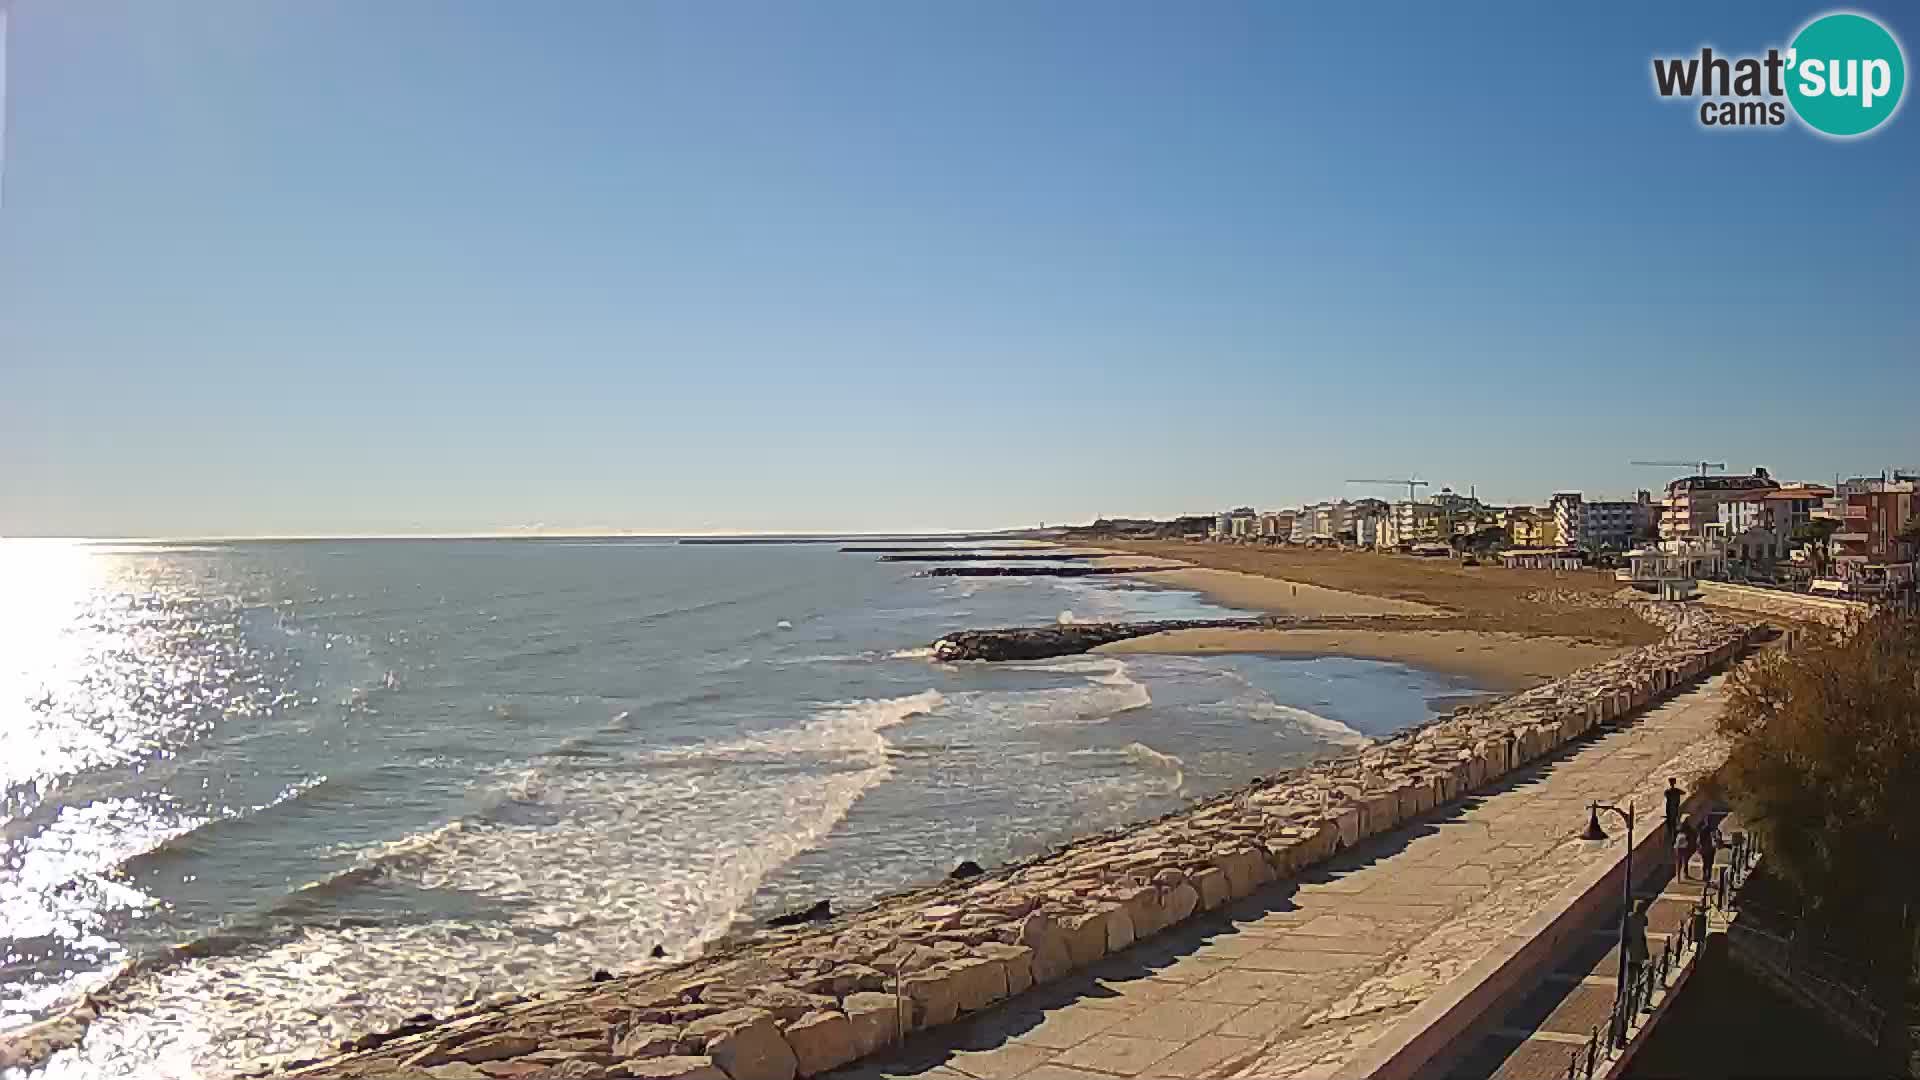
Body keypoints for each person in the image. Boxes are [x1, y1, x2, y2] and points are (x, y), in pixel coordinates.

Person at [1698, 819, 1720, 885]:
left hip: (1705, 849)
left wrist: (1700, 848)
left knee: (1705, 863)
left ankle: (1705, 876)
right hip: (1710, 849)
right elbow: (1717, 839)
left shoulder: (1703, 830)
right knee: (1710, 863)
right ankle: (1708, 876)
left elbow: (1699, 840)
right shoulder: (1713, 830)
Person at [1663, 777, 1683, 847]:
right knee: (1673, 825)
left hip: (1670, 811)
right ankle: (1673, 839)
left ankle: (1672, 840)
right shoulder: (1676, 791)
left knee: (1671, 826)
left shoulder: (1668, 792)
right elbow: (1683, 792)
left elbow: (1665, 795)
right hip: (1674, 810)